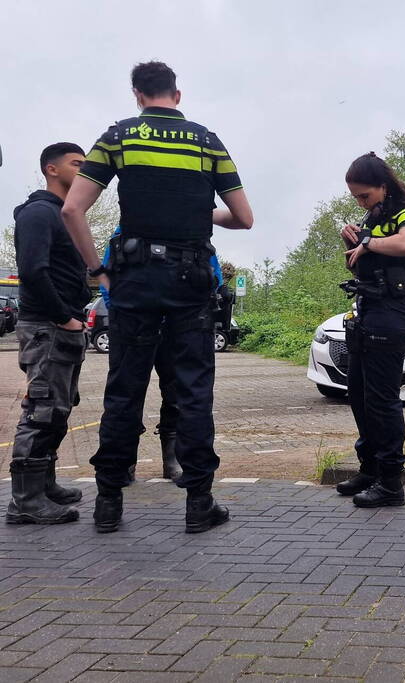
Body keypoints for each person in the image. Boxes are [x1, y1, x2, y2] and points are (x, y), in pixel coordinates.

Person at [61, 61, 254, 533]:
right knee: (192, 391)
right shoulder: (208, 141)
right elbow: (243, 218)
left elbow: (72, 209)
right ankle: (199, 504)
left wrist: (98, 273)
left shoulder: (119, 136)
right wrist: (198, 212)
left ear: (137, 95)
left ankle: (108, 503)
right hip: (189, 282)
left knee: (124, 390)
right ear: (178, 95)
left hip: (134, 280)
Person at [98, 225, 228, 483]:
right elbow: (108, 271)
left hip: (177, 325)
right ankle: (123, 463)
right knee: (127, 394)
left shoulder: (189, 228)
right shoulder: (125, 228)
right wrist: (117, 310)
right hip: (135, 321)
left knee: (177, 393)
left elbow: (212, 272)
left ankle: (173, 458)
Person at [334, 152, 405, 507]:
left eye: (364, 195)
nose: (361, 202)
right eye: (356, 197)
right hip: (369, 309)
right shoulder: (373, 216)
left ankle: (391, 483)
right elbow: (363, 267)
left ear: (382, 186)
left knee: (383, 401)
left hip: (394, 310)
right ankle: (369, 469)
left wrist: (368, 243)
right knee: (358, 394)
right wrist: (353, 241)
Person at [6, 143, 91, 525]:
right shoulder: (39, 213)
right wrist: (63, 318)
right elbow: (33, 271)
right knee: (40, 411)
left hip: (62, 327)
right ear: (51, 169)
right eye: (77, 164)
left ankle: (45, 485)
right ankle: (24, 501)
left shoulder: (65, 215)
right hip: (47, 327)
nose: (84, 169)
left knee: (58, 408)